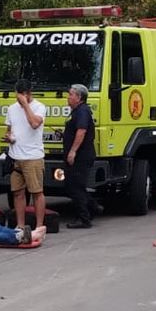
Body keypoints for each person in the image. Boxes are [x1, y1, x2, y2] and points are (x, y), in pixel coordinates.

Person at [4, 79, 46, 239]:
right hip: (16, 156)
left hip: (33, 156)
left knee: (36, 192)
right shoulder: (11, 109)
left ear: (29, 93)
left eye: (22, 95)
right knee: (17, 193)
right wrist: (9, 137)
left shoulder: (39, 107)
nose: (19, 99)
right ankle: (20, 225)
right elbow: (9, 130)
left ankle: (40, 226)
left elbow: (34, 124)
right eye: (18, 95)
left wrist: (26, 106)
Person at [62, 83, 97, 229]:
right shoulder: (77, 111)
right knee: (73, 185)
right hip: (79, 155)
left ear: (79, 97)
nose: (68, 97)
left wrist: (73, 151)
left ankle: (84, 218)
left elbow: (81, 131)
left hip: (81, 156)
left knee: (76, 187)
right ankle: (94, 208)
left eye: (71, 94)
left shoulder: (82, 111)